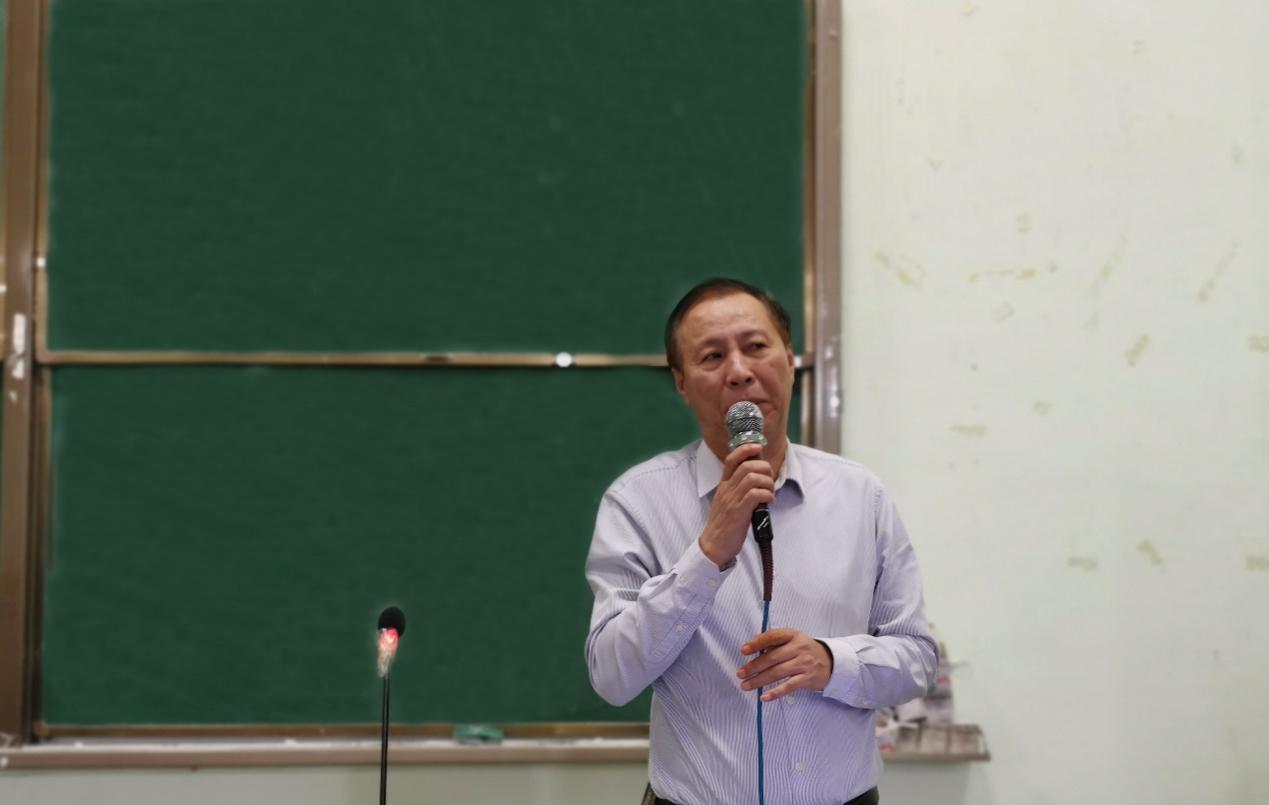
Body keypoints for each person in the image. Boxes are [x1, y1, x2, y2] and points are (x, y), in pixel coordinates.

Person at [584, 278, 937, 805]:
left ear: (789, 360)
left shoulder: (861, 496)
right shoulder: (636, 503)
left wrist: (832, 663)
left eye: (755, 347)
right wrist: (707, 554)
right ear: (682, 383)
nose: (739, 371)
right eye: (712, 356)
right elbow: (612, 675)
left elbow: (917, 659)